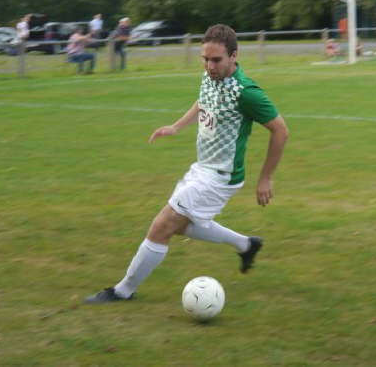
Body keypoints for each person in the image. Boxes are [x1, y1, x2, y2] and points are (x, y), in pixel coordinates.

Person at [85, 24, 289, 303]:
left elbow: (281, 130)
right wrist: (176, 126)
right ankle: (246, 245)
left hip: (220, 176)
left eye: (216, 60)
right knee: (179, 225)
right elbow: (203, 101)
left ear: (234, 56)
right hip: (202, 167)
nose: (209, 65)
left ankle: (122, 291)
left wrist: (266, 178)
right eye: (205, 59)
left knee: (162, 226)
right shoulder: (210, 78)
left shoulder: (246, 92)